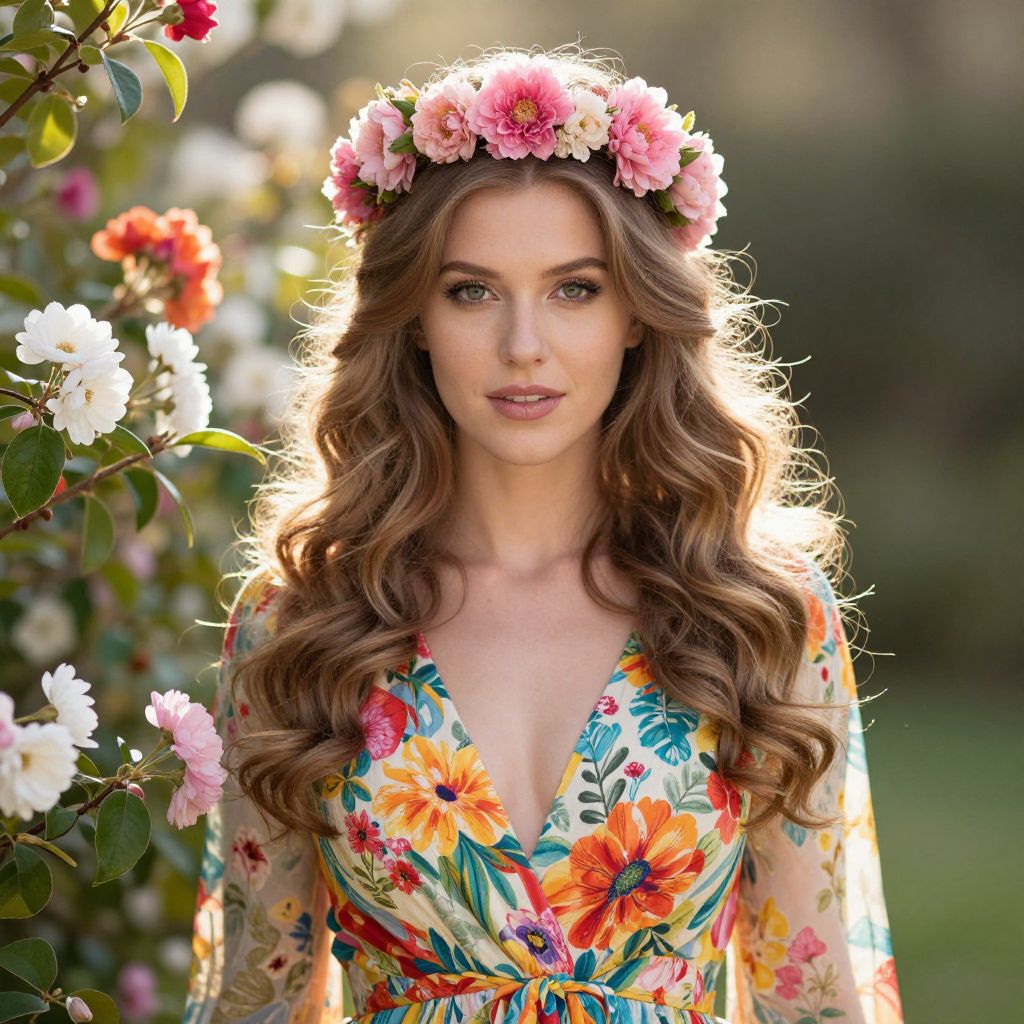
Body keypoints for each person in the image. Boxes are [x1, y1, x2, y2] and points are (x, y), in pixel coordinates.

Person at [182, 44, 904, 1024]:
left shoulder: (758, 614)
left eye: (574, 289)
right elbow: (252, 998)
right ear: (416, 318)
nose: (524, 345)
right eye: (471, 290)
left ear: (638, 315)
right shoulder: (300, 623)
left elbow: (813, 1003)